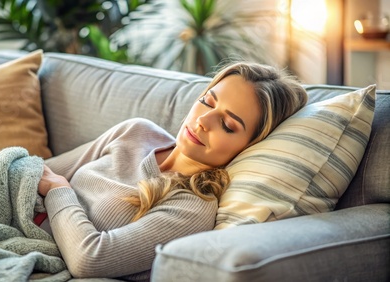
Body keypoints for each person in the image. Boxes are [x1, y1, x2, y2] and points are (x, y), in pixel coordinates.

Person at [36, 61, 308, 280]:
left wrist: (60, 190)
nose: (203, 121)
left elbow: (90, 258)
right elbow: (39, 171)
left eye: (227, 125)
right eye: (208, 102)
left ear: (251, 146)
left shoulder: (192, 206)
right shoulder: (136, 131)